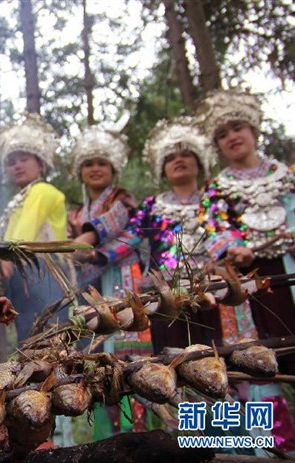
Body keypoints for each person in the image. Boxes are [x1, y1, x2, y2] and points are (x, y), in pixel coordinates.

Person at [197, 88, 295, 452]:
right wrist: (229, 248)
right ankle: (275, 447)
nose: (232, 137)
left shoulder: (287, 175)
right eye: (222, 134)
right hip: (248, 283)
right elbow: (212, 228)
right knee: (256, 360)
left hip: (291, 270)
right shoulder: (216, 189)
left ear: (254, 130)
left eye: (237, 128)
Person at [129, 116, 257, 353]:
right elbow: (128, 238)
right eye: (170, 158)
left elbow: (232, 230)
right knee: (174, 357)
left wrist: (238, 249)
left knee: (227, 356)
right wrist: (91, 249)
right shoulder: (150, 206)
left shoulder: (216, 198)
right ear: (162, 170)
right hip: (168, 295)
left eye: (186, 155)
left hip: (216, 290)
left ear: (199, 163)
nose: (178, 159)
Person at [67, 126, 150, 440]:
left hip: (123, 283)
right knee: (99, 361)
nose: (96, 168)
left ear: (113, 169)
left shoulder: (124, 200)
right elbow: (72, 249)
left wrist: (90, 248)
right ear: (81, 172)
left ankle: (139, 434)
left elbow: (125, 231)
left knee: (131, 360)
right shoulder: (76, 213)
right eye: (89, 164)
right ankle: (106, 438)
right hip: (92, 291)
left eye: (102, 163)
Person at [0, 113, 67, 342]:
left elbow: (25, 231)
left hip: (44, 273)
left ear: (41, 163)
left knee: (47, 339)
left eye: (24, 159)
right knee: (29, 340)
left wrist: (6, 260)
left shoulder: (43, 191)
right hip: (22, 274)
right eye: (12, 162)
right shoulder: (19, 200)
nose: (17, 166)